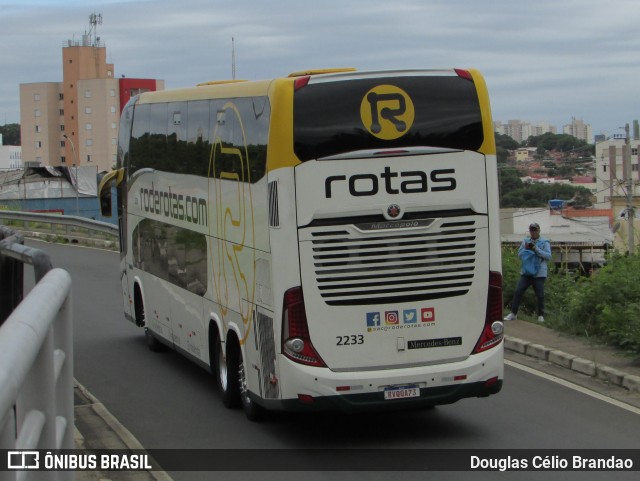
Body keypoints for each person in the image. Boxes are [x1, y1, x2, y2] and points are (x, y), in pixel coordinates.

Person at [504, 223, 552, 323]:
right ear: (529, 231)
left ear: (539, 231)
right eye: (531, 230)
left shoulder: (544, 242)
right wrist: (527, 248)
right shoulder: (525, 241)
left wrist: (536, 249)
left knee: (540, 295)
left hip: (539, 273)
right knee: (518, 291)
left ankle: (541, 316)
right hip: (526, 272)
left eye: (535, 230)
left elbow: (548, 256)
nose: (533, 232)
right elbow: (519, 254)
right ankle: (513, 313)